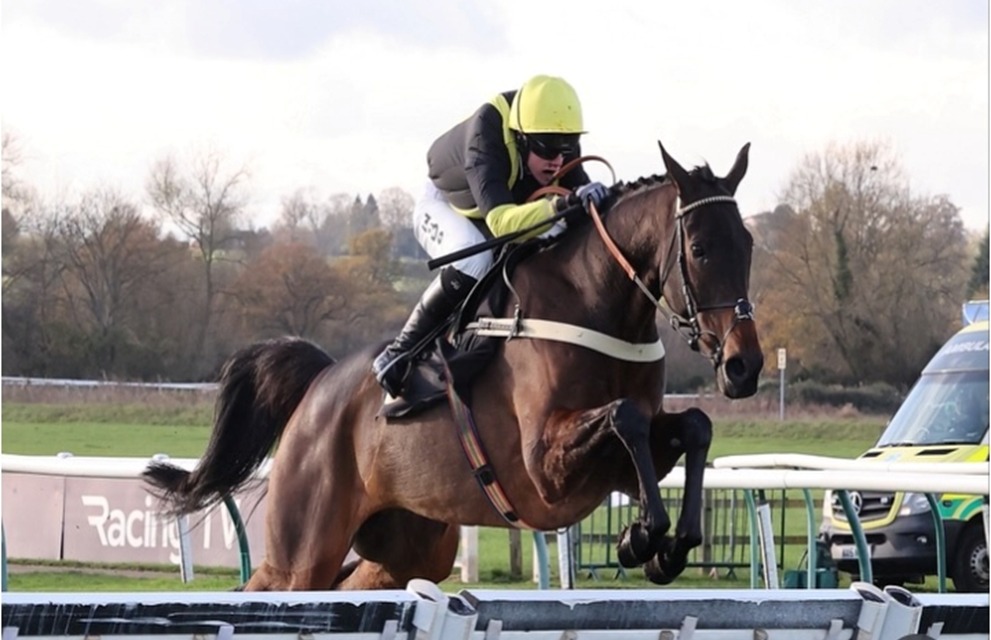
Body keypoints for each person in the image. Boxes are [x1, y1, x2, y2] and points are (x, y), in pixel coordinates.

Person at [371, 74, 610, 397]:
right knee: (475, 258)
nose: (557, 161)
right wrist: (559, 206)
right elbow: (501, 223)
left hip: (500, 207)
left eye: (566, 147)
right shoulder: (486, 135)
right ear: (521, 136)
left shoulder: (553, 135)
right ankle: (400, 350)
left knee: (559, 232)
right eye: (547, 148)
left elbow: (581, 211)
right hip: (446, 205)